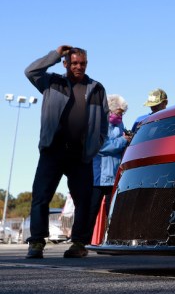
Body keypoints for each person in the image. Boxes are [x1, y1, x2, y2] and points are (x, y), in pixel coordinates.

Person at [24, 45, 109, 259]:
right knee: (41, 197)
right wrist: (55, 53)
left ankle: (79, 243)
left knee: (84, 200)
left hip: (80, 155)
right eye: (74, 63)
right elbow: (30, 71)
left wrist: (94, 146)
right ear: (66, 64)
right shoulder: (52, 82)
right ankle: (36, 243)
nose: (78, 67)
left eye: (82, 63)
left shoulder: (97, 88)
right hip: (52, 150)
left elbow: (104, 122)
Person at [89, 94, 132, 242]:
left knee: (113, 210)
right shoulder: (99, 123)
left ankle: (114, 239)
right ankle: (82, 241)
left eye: (122, 114)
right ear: (110, 110)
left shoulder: (119, 124)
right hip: (98, 175)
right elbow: (101, 146)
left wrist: (127, 139)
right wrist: (122, 141)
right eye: (119, 113)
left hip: (113, 176)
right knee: (91, 210)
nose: (121, 116)